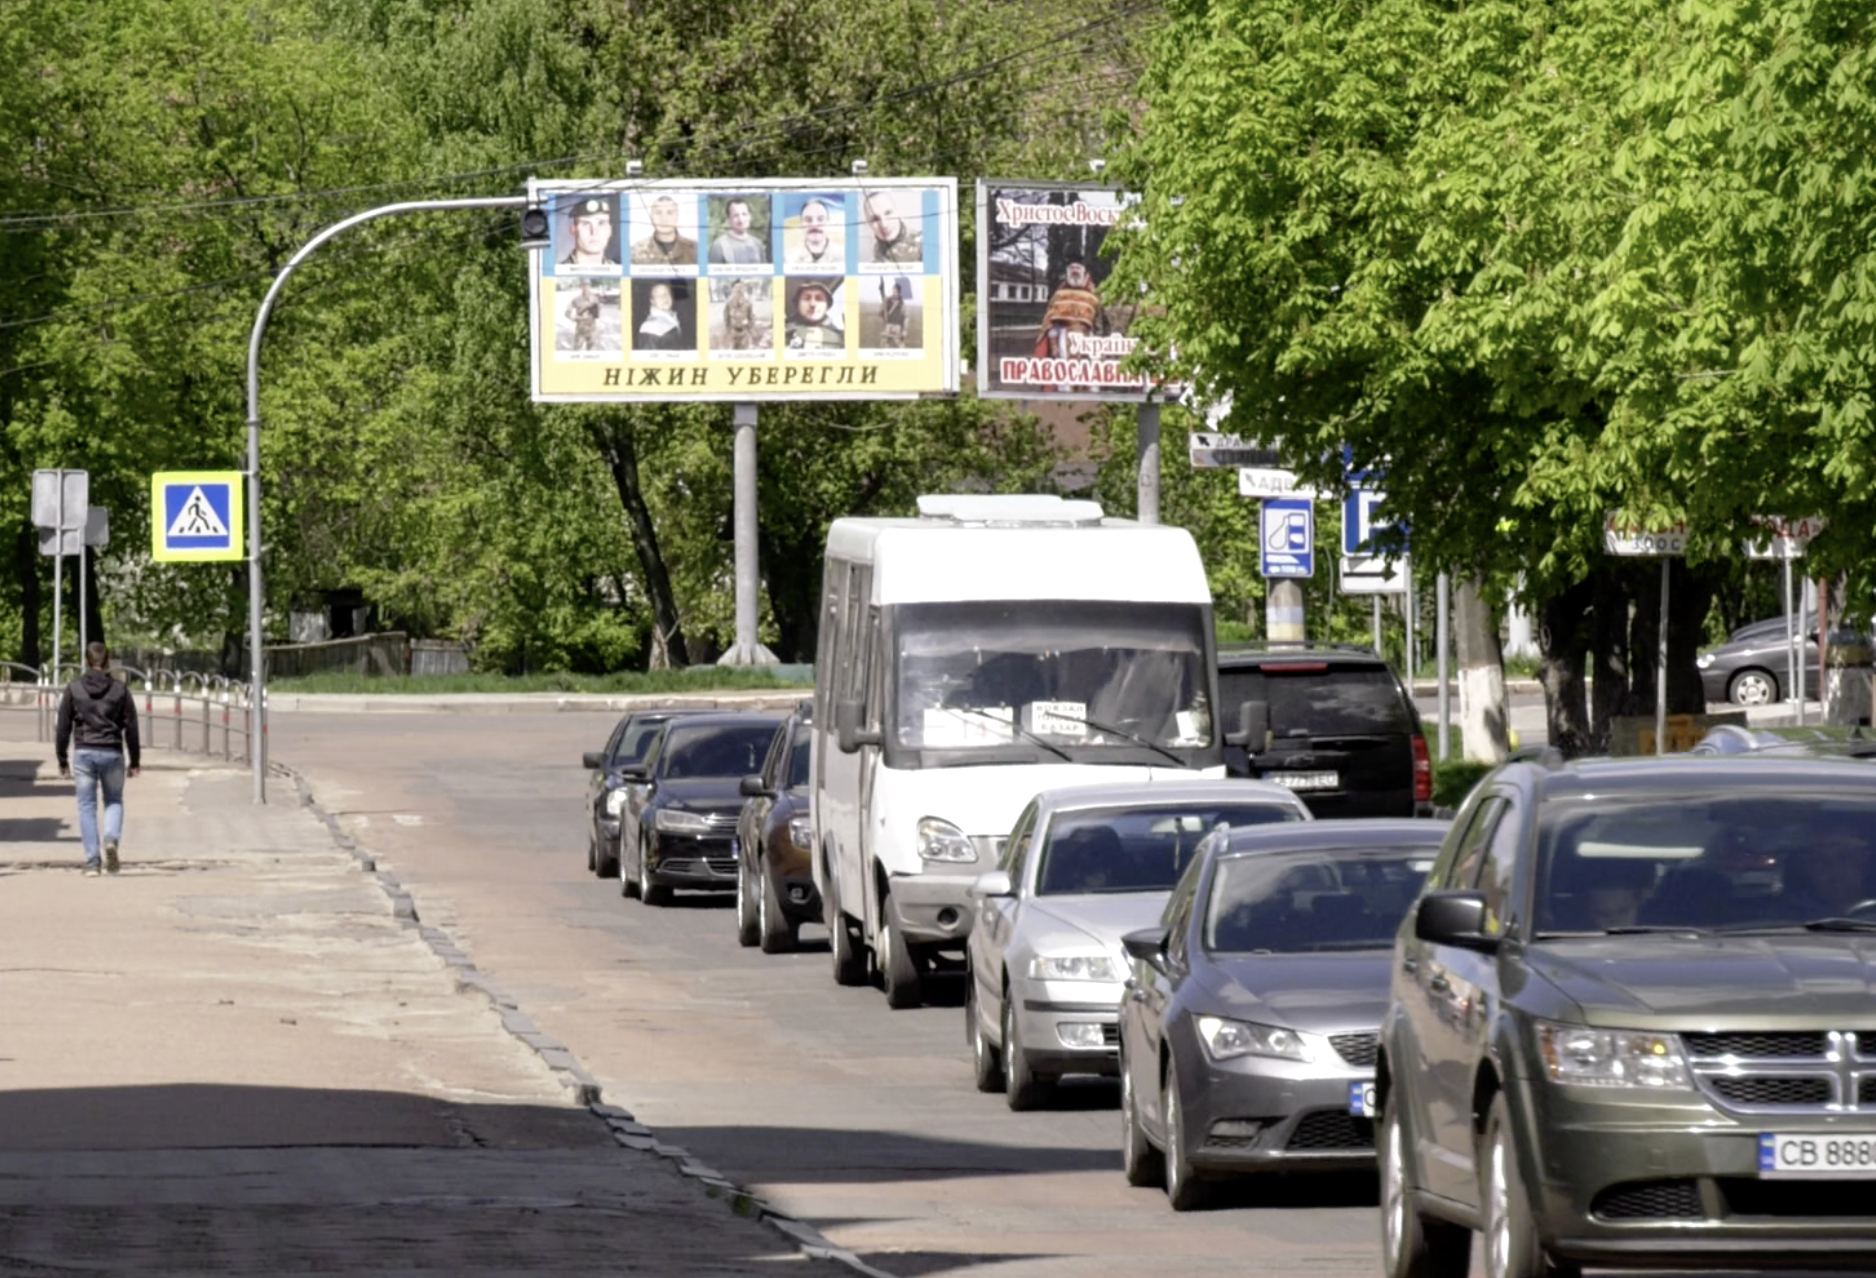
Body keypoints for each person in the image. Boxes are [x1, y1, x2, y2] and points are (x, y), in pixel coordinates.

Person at [55, 642, 141, 877]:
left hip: (84, 753)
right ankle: (111, 838)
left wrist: (61, 758)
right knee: (114, 799)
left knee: (86, 806)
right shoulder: (120, 689)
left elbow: (63, 726)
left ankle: (92, 862)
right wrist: (135, 761)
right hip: (112, 752)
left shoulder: (74, 688)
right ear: (108, 660)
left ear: (86, 660)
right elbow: (131, 727)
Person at [1776, 822, 1872, 920]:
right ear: (1807, 867)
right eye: (1821, 860)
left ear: (1864, 860)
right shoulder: (1777, 919)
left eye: (1844, 858)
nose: (1835, 869)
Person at [1031, 259, 1108, 359]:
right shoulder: (1058, 295)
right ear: (1067, 272)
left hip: (1086, 339)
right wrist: (1053, 345)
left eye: (1078, 268)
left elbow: (1099, 324)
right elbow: (1048, 322)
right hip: (1062, 338)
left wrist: (1099, 345)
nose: (1074, 270)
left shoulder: (1093, 296)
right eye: (1072, 268)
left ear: (1083, 272)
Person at [630, 194, 698, 267]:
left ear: (677, 216)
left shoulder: (695, 250)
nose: (664, 219)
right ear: (651, 217)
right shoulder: (636, 251)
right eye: (658, 213)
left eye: (669, 213)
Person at [863, 190, 923, 264]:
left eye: (888, 213)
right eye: (875, 219)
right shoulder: (877, 248)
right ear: (869, 224)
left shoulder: (923, 244)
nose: (884, 224)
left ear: (897, 212)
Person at [559, 197, 619, 269]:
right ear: (573, 230)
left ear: (610, 230)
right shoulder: (559, 270)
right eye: (586, 224)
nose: (594, 232)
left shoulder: (617, 269)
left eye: (601, 223)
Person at [784, 279, 843, 351]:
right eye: (806, 298)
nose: (812, 304)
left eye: (819, 299)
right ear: (798, 303)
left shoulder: (841, 338)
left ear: (827, 305)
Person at [708, 198, 768, 266]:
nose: (741, 220)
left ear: (750, 217)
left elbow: (764, 275)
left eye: (744, 214)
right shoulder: (719, 245)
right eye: (735, 215)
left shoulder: (758, 244)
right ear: (728, 219)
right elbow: (711, 275)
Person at [786, 198, 841, 268]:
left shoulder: (845, 257)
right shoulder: (789, 260)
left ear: (828, 222)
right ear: (801, 224)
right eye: (808, 219)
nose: (814, 224)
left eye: (820, 219)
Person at [636, 282, 687, 351]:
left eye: (666, 293)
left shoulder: (673, 318)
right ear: (652, 301)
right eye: (658, 295)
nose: (664, 297)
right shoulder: (650, 326)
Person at [565, 280, 602, 351]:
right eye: (584, 285)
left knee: (591, 352)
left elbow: (597, 314)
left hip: (592, 330)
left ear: (590, 286)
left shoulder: (595, 298)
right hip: (580, 330)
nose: (586, 287)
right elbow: (567, 313)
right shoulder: (575, 299)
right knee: (576, 351)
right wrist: (578, 317)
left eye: (588, 285)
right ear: (580, 287)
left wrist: (598, 309)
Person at [722, 280, 757, 350]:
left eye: (741, 287)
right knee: (733, 350)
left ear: (744, 289)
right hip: (733, 331)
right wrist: (727, 329)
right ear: (733, 289)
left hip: (744, 331)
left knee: (744, 350)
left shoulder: (748, 302)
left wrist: (751, 328)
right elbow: (726, 316)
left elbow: (751, 317)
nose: (739, 289)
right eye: (737, 287)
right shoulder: (728, 302)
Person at [877, 277, 907, 348]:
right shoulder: (888, 300)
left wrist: (904, 330)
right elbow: (881, 311)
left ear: (899, 292)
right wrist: (883, 311)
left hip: (897, 327)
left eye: (896, 291)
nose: (894, 293)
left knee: (901, 347)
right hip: (888, 325)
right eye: (893, 291)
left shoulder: (902, 304)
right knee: (883, 346)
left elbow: (905, 317)